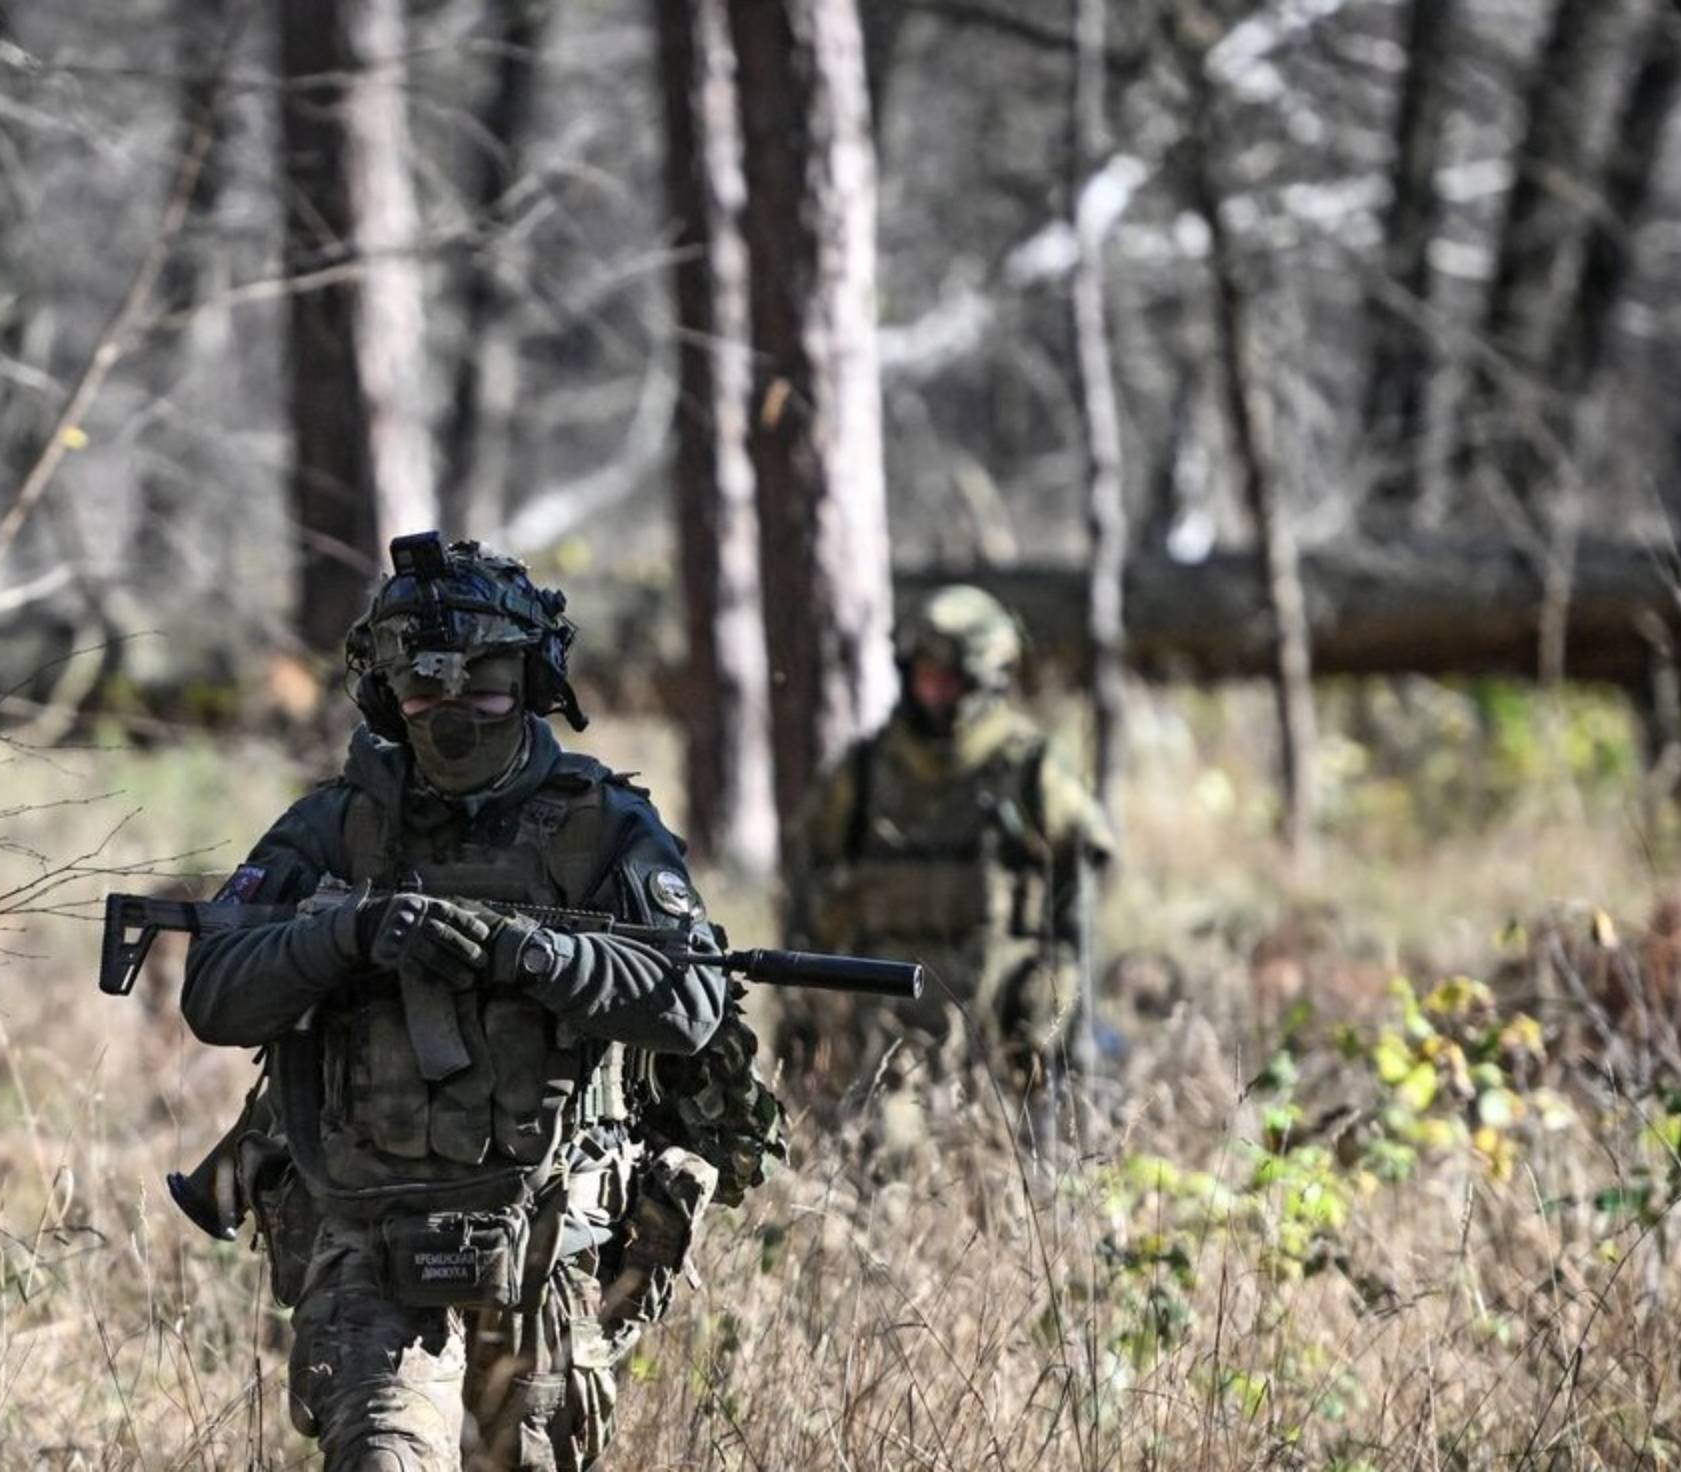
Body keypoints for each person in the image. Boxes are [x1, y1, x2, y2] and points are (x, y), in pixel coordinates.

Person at [181, 533, 772, 1471]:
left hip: (546, 1244)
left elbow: (690, 997)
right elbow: (214, 995)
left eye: (482, 682)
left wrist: (526, 952)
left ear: (532, 679)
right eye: (421, 686)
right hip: (363, 1232)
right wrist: (347, 935)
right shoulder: (334, 827)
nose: (451, 709)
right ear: (384, 692)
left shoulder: (602, 828)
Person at [783, 584, 1113, 1135]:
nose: (932, 691)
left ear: (983, 680)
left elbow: (1078, 882)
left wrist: (1057, 1003)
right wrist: (806, 1023)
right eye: (924, 674)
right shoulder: (865, 772)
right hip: (885, 1039)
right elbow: (806, 881)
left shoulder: (1026, 768)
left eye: (949, 678)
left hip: (1003, 1029)